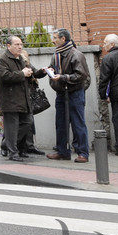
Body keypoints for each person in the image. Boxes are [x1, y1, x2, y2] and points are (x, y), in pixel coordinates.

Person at [0, 35, 44, 162]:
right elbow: (5, 76)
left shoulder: (21, 59)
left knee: (27, 123)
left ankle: (8, 144)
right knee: (11, 127)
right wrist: (22, 74)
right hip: (10, 100)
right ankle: (13, 152)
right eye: (16, 44)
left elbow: (32, 72)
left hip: (23, 99)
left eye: (21, 44)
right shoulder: (2, 60)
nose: (20, 47)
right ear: (8, 46)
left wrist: (43, 71)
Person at [45, 28, 90, 163]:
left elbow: (81, 75)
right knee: (61, 124)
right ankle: (62, 151)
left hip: (75, 93)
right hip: (61, 93)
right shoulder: (57, 54)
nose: (52, 41)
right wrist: (50, 71)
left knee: (78, 123)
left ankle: (83, 153)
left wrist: (63, 77)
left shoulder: (76, 54)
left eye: (55, 38)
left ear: (63, 39)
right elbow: (54, 68)